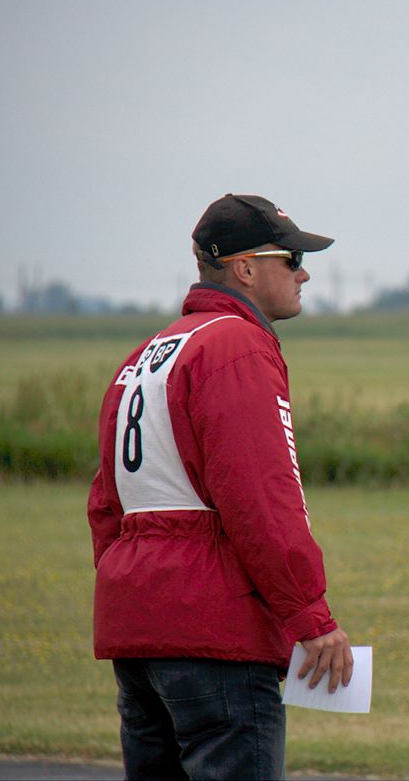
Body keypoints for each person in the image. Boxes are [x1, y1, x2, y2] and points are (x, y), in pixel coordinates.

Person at [88, 193, 353, 780]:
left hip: (137, 633)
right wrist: (311, 617)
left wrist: (136, 592)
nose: (304, 273)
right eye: (291, 259)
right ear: (245, 268)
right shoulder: (237, 345)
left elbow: (106, 505)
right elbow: (261, 501)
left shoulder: (146, 354)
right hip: (216, 641)